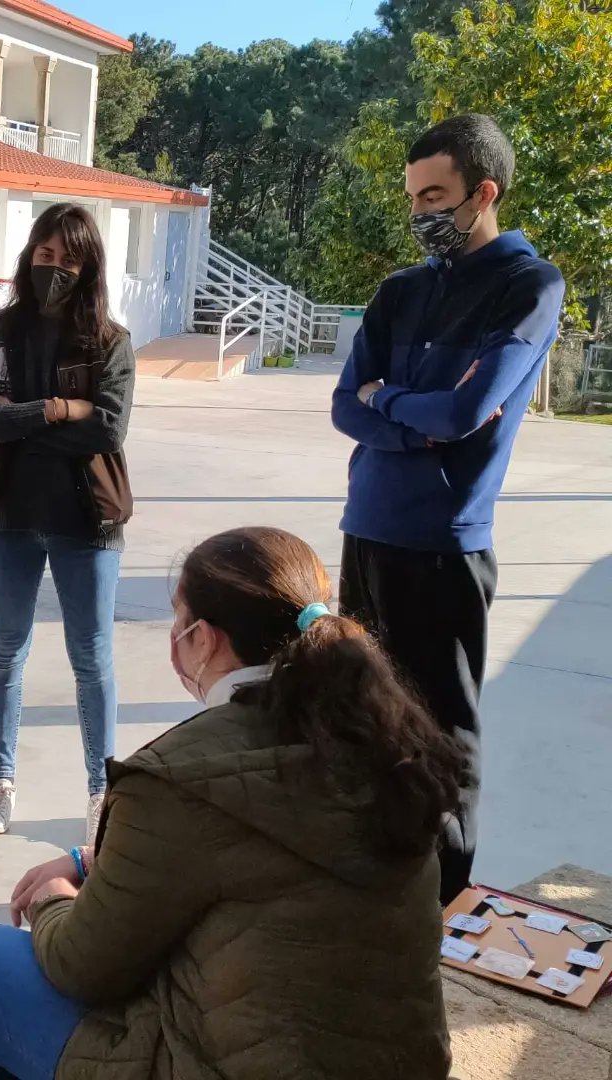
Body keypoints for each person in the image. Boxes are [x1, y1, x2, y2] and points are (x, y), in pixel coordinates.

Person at [0, 526, 462, 1080]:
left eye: (177, 618)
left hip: (223, 1062)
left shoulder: (180, 772)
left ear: (204, 639)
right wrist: (88, 860)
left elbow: (84, 967)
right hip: (399, 1060)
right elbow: (256, 861)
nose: (173, 634)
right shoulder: (382, 738)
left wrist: (52, 900)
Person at [331, 113, 565, 904]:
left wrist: (387, 398)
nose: (421, 213)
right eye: (412, 198)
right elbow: (345, 409)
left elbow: (465, 417)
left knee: (441, 733)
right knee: (356, 713)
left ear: (483, 192)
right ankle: (371, 877)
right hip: (364, 531)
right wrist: (413, 411)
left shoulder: (528, 287)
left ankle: (444, 899)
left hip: (443, 547)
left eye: (436, 195)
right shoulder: (399, 291)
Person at [0, 203, 136, 845]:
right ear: (28, 254)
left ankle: (100, 789)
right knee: (5, 652)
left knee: (91, 660)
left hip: (86, 521)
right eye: (44, 254)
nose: (53, 267)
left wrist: (24, 416)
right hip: (5, 516)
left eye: (68, 258)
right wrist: (61, 409)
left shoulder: (111, 342)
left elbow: (109, 428)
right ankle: (1, 781)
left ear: (88, 266)